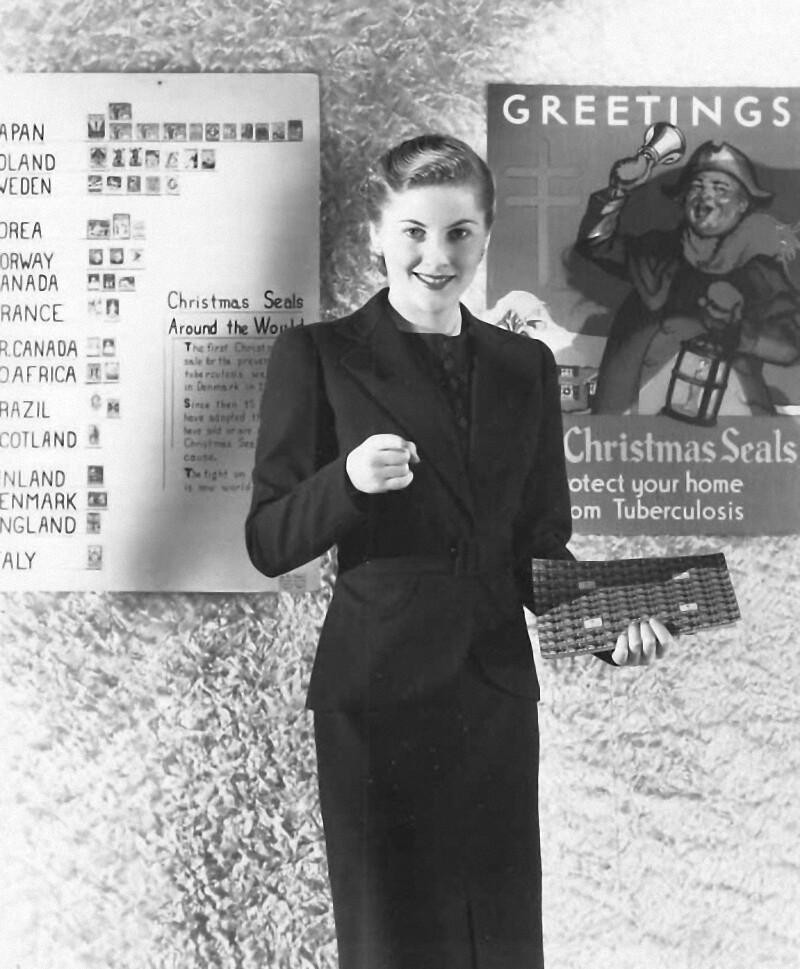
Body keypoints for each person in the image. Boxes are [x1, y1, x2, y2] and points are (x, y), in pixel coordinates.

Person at [246, 133, 672, 969]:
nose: (437, 256)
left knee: (499, 943)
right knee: (392, 943)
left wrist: (610, 627)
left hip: (492, 691)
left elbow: (538, 547)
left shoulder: (524, 366)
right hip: (377, 695)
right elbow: (267, 541)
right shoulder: (319, 355)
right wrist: (347, 481)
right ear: (376, 235)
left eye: (459, 233)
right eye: (414, 231)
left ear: (485, 235)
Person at [576, 140, 800, 416]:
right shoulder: (655, 252)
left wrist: (737, 331)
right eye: (697, 186)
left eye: (721, 189)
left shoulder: (760, 273)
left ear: (743, 204)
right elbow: (596, 242)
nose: (706, 197)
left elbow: (790, 346)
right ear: (683, 198)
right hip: (633, 419)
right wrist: (618, 190)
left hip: (725, 423)